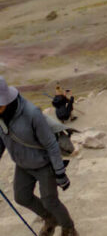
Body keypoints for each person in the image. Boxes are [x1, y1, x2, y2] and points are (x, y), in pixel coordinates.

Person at [0, 76, 77, 236]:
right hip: (22, 164)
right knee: (21, 197)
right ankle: (50, 219)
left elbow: (50, 144)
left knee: (50, 201)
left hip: (43, 164)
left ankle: (68, 227)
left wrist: (60, 172)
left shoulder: (31, 114)